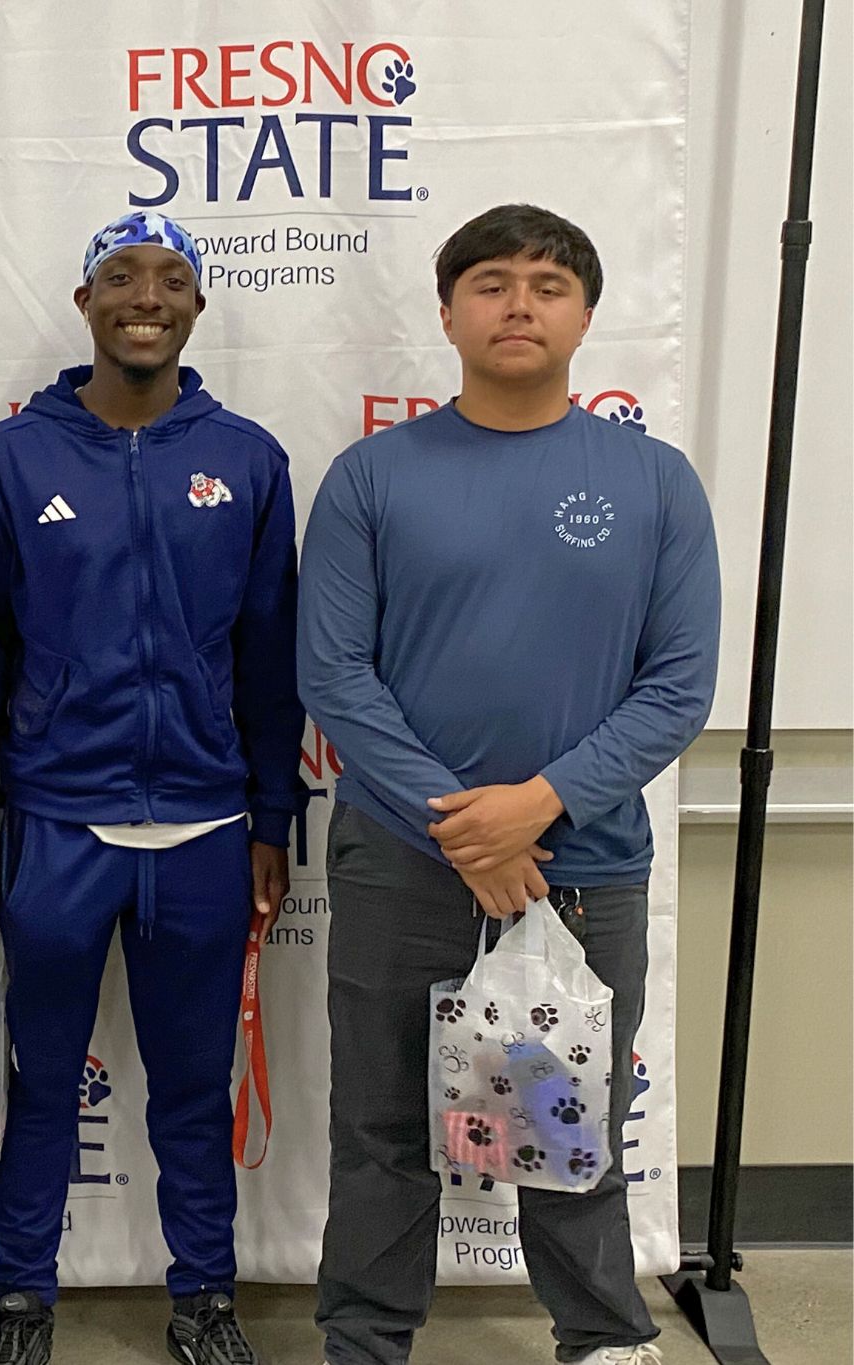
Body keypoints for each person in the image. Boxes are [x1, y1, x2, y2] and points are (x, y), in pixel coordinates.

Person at [299, 203, 719, 1365]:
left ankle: (598, 1337)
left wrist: (533, 807)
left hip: (579, 866)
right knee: (380, 1130)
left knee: (568, 1119)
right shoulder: (372, 476)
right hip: (397, 862)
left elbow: (677, 687)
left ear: (585, 313)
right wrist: (462, 827)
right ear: (446, 313)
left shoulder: (652, 482)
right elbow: (331, 672)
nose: (517, 304)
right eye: (489, 283)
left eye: (545, 284)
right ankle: (365, 1340)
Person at [0, 210, 304, 1365]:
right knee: (43, 1074)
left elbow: (267, 653)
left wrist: (271, 810)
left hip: (205, 824)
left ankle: (203, 1294)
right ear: (84, 304)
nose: (143, 295)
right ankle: (20, 1300)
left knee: (192, 1088)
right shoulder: (13, 457)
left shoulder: (246, 458)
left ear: (196, 306)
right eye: (117, 276)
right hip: (55, 819)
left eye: (168, 278)